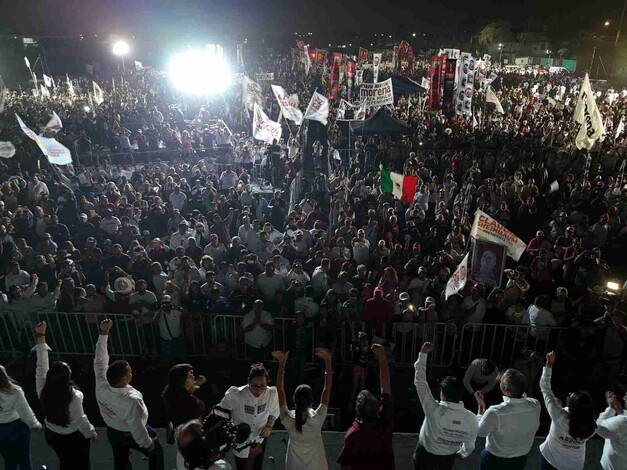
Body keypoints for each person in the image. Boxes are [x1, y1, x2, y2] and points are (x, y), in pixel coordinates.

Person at [94, 319, 164, 470]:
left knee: (120, 460)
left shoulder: (101, 384)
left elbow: (100, 361)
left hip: (113, 430)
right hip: (130, 433)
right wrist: (148, 443)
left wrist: (104, 333)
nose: (132, 373)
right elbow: (136, 427)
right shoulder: (131, 400)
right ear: (124, 378)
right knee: (157, 453)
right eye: (130, 371)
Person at [33, 321, 97, 470]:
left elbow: (41, 365)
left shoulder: (43, 387)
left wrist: (41, 336)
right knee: (81, 464)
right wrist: (91, 432)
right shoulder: (74, 396)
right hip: (72, 437)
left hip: (52, 434)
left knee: (65, 462)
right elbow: (81, 419)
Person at [414, 342, 477, 469]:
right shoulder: (471, 418)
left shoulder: (433, 410)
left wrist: (423, 354)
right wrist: (462, 454)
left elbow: (420, 382)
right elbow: (470, 443)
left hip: (424, 454)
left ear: (442, 393)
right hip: (448, 458)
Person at [272, 348, 332, 470]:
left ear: (294, 399)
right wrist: (328, 361)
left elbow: (280, 391)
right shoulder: (318, 418)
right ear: (311, 401)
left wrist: (282, 364)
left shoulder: (287, 419)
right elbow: (327, 389)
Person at [337, 343, 394, 469]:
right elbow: (386, 387)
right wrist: (382, 357)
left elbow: (345, 465)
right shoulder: (385, 420)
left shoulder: (352, 434)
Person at [539, 351, 596, 470]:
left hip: (551, 460)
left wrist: (549, 365)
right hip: (574, 465)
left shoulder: (559, 416)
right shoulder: (593, 426)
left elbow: (545, 388)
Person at [475, 368, 541, 470]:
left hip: (494, 460)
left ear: (506, 390)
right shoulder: (535, 404)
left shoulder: (495, 412)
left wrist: (481, 410)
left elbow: (480, 432)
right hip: (520, 459)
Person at [218, 363, 279, 470]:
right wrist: (230, 425)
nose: (259, 390)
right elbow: (219, 411)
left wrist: (269, 425)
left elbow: (274, 410)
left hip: (258, 440)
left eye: (262, 386)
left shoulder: (271, 393)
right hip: (241, 442)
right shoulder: (237, 394)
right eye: (255, 386)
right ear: (249, 382)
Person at [162, 364, 208, 470]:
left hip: (179, 439)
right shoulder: (195, 403)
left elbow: (183, 393)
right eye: (190, 376)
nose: (193, 377)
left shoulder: (169, 396)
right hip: (194, 442)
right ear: (181, 380)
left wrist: (195, 384)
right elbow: (198, 425)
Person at [0, 361, 41, 470]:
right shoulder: (15, 391)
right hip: (17, 428)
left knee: (9, 460)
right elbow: (25, 410)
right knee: (24, 460)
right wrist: (34, 423)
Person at [596, 388, 627, 470]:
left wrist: (610, 408)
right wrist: (621, 412)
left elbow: (598, 426)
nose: (624, 398)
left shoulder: (622, 422)